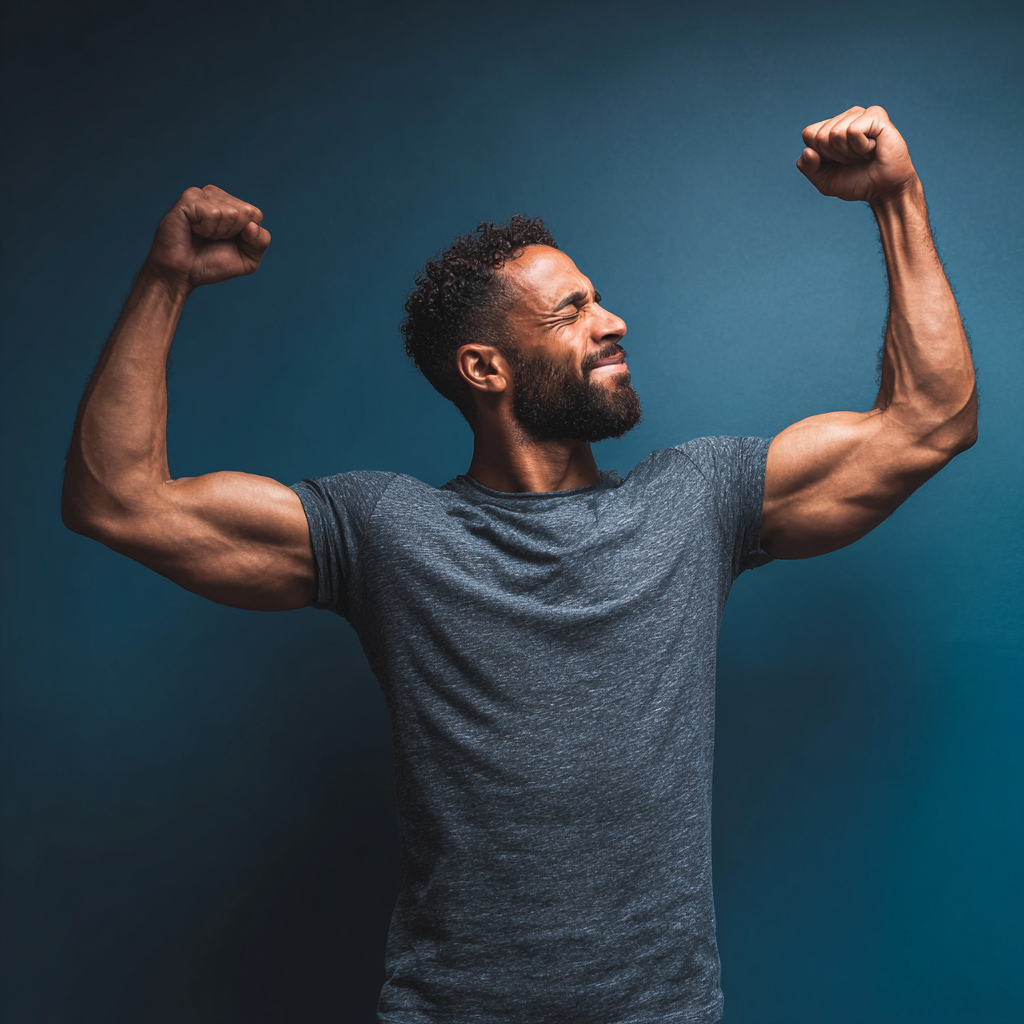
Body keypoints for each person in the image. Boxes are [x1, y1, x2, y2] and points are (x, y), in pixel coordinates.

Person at [62, 106, 976, 1022]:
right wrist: (165, 279)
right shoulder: (388, 532)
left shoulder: (694, 501)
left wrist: (896, 199)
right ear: (485, 368)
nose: (612, 322)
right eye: (572, 310)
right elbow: (118, 499)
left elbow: (931, 419)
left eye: (600, 297)